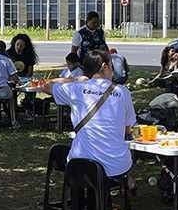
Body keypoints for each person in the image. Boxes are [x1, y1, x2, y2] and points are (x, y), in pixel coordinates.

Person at [36, 49, 136, 179]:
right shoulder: (123, 92)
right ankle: (124, 185)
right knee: (123, 163)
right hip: (116, 166)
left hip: (79, 163)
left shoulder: (75, 89)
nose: (113, 71)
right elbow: (128, 129)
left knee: (84, 174)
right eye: (111, 67)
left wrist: (74, 80)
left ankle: (84, 197)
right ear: (105, 67)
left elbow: (46, 86)